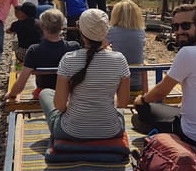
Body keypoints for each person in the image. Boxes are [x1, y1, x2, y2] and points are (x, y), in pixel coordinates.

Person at [134, 4, 196, 145]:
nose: (180, 31)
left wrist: (141, 100)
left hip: (195, 136)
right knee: (172, 110)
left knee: (140, 115)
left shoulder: (187, 53)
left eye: (186, 26)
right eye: (176, 27)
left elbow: (161, 92)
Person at [39, 8, 130, 140]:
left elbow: (59, 105)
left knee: (45, 93)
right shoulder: (120, 59)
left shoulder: (68, 59)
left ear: (81, 32)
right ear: (106, 31)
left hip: (71, 132)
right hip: (111, 131)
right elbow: (123, 103)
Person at [5, 8, 80, 99]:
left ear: (43, 27)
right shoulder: (74, 47)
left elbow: (22, 81)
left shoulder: (34, 50)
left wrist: (11, 94)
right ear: (61, 26)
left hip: (43, 93)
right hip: (68, 92)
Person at [107, 0, 146, 91]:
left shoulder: (112, 31)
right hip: (137, 82)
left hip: (118, 82)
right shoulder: (141, 31)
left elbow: (102, 47)